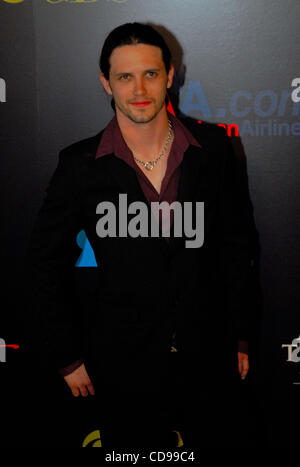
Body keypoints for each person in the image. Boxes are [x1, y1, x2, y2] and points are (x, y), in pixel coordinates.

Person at [28, 22, 255, 448]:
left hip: (207, 357)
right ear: (105, 83)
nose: (139, 89)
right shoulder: (79, 165)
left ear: (169, 76)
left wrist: (241, 334)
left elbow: (237, 248)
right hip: (118, 365)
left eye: (150, 74)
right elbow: (45, 265)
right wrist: (66, 356)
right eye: (124, 77)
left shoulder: (215, 151)